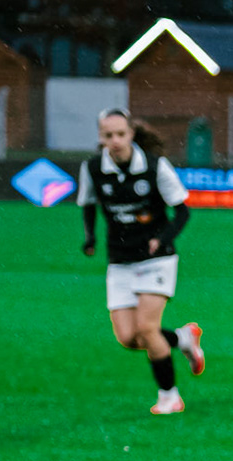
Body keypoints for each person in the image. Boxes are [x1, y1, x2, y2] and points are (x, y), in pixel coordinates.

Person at [78, 109, 206, 414]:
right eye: (108, 136)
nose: (115, 141)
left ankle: (169, 397)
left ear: (131, 134)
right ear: (101, 138)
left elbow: (183, 212)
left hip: (156, 260)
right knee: (128, 338)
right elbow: (88, 204)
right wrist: (90, 238)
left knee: (148, 329)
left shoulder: (154, 166)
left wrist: (161, 238)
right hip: (120, 260)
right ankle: (183, 338)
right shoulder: (93, 168)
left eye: (120, 134)